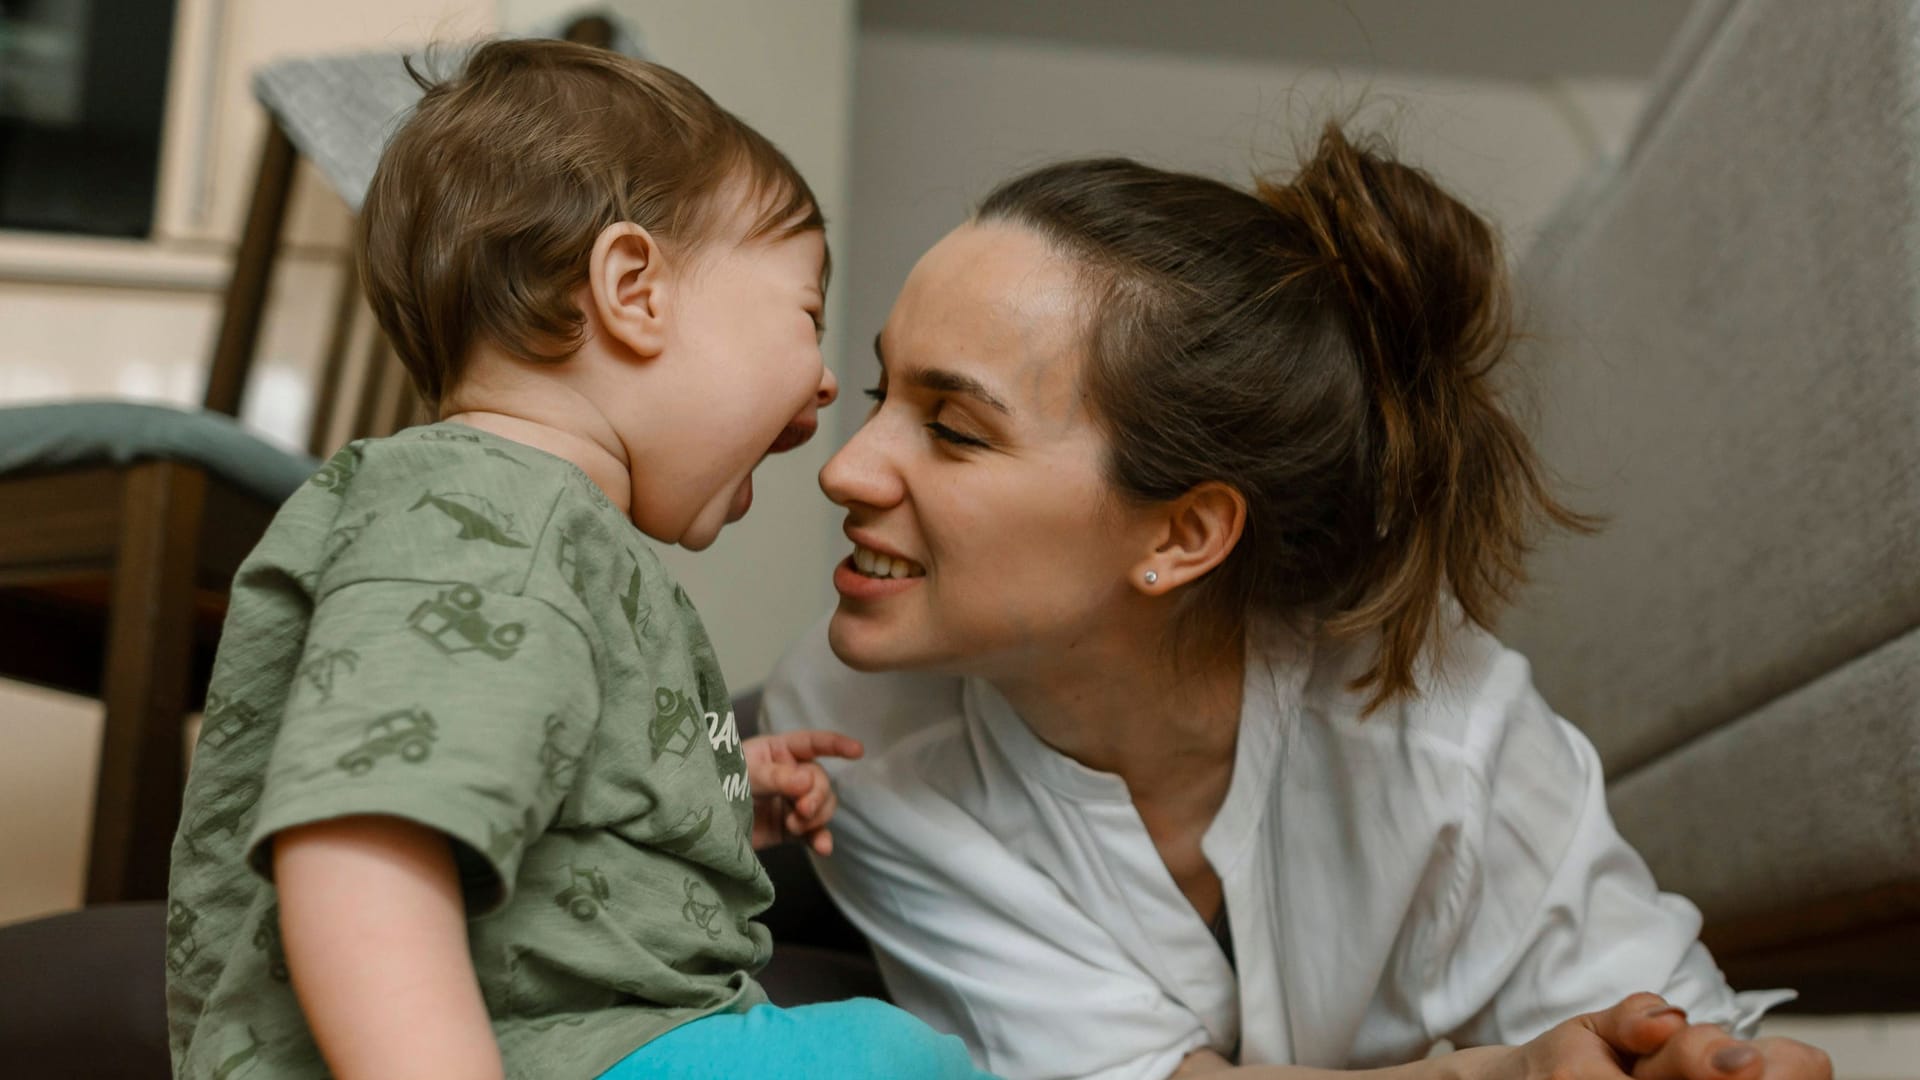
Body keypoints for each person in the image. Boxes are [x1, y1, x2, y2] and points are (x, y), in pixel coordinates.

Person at [761, 127, 1832, 1080]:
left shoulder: (1442, 727)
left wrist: (1691, 1056)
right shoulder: (845, 733)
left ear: (1182, 535)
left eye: (953, 429)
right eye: (878, 393)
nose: (844, 470)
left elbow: (1656, 1005)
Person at [166, 39, 987, 1080]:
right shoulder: (486, 519)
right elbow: (363, 849)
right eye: (806, 316)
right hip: (545, 1053)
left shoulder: (512, 529)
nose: (826, 385)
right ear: (633, 289)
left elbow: (508, 759)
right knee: (898, 1061)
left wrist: (711, 785)